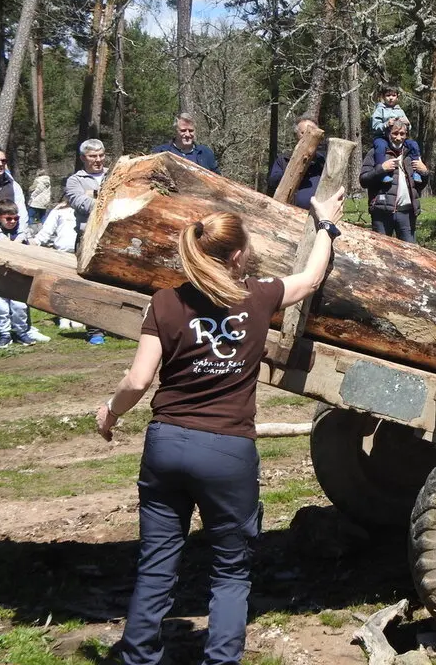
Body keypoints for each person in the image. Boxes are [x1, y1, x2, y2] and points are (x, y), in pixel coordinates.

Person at [96, 187, 346, 665]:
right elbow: (311, 279)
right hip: (227, 450)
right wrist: (324, 223)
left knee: (156, 564)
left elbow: (139, 378)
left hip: (167, 444)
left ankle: (138, 658)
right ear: (236, 255)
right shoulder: (258, 296)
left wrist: (111, 412)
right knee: (230, 571)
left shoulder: (165, 302)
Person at [65, 139, 109, 344]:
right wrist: (108, 203)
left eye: (101, 155)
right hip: (87, 238)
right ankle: (95, 331)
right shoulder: (75, 180)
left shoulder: (114, 173)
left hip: (114, 237)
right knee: (90, 285)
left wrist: (96, 196)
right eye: (93, 156)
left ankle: (116, 325)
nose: (98, 160)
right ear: (83, 158)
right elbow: (79, 202)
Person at [359, 119, 430, 242]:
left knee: (409, 254)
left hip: (407, 214)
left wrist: (424, 172)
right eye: (395, 133)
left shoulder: (411, 154)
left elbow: (419, 186)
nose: (398, 137)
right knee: (382, 252)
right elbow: (363, 180)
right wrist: (381, 169)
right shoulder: (376, 152)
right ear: (388, 134)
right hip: (382, 213)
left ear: (406, 135)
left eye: (402, 134)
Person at [32, 198, 83, 330]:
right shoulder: (60, 210)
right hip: (63, 253)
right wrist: (35, 242)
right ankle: (63, 317)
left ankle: (77, 317)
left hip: (81, 254)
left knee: (79, 288)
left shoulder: (88, 209)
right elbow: (47, 230)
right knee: (63, 287)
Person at [0, 200, 38, 347]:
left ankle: (21, 332)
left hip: (18, 278)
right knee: (1, 307)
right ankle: (4, 334)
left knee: (19, 306)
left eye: (16, 218)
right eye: (8, 218)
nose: (12, 221)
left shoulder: (23, 235)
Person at [267, 113, 327, 204]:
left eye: (313, 132)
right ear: (296, 135)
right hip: (289, 212)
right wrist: (292, 169)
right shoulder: (284, 160)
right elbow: (272, 182)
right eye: (304, 132)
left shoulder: (323, 161)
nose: (309, 136)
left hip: (318, 215)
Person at [370, 84, 422, 182]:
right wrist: (386, 124)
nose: (390, 98)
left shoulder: (400, 110)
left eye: (393, 95)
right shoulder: (379, 109)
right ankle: (382, 173)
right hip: (383, 138)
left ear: (397, 97)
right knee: (380, 146)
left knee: (413, 145)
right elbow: (374, 127)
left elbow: (408, 127)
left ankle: (416, 172)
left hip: (399, 138)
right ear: (383, 97)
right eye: (388, 95)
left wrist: (407, 124)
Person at [152, 113, 220, 174]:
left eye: (191, 131)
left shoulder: (205, 153)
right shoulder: (160, 152)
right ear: (175, 131)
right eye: (183, 130)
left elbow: (218, 179)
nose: (187, 134)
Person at [0, 148, 29, 232]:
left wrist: (21, 233)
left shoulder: (14, 186)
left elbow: (22, 213)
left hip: (11, 234)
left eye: (3, 161)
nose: (0, 164)